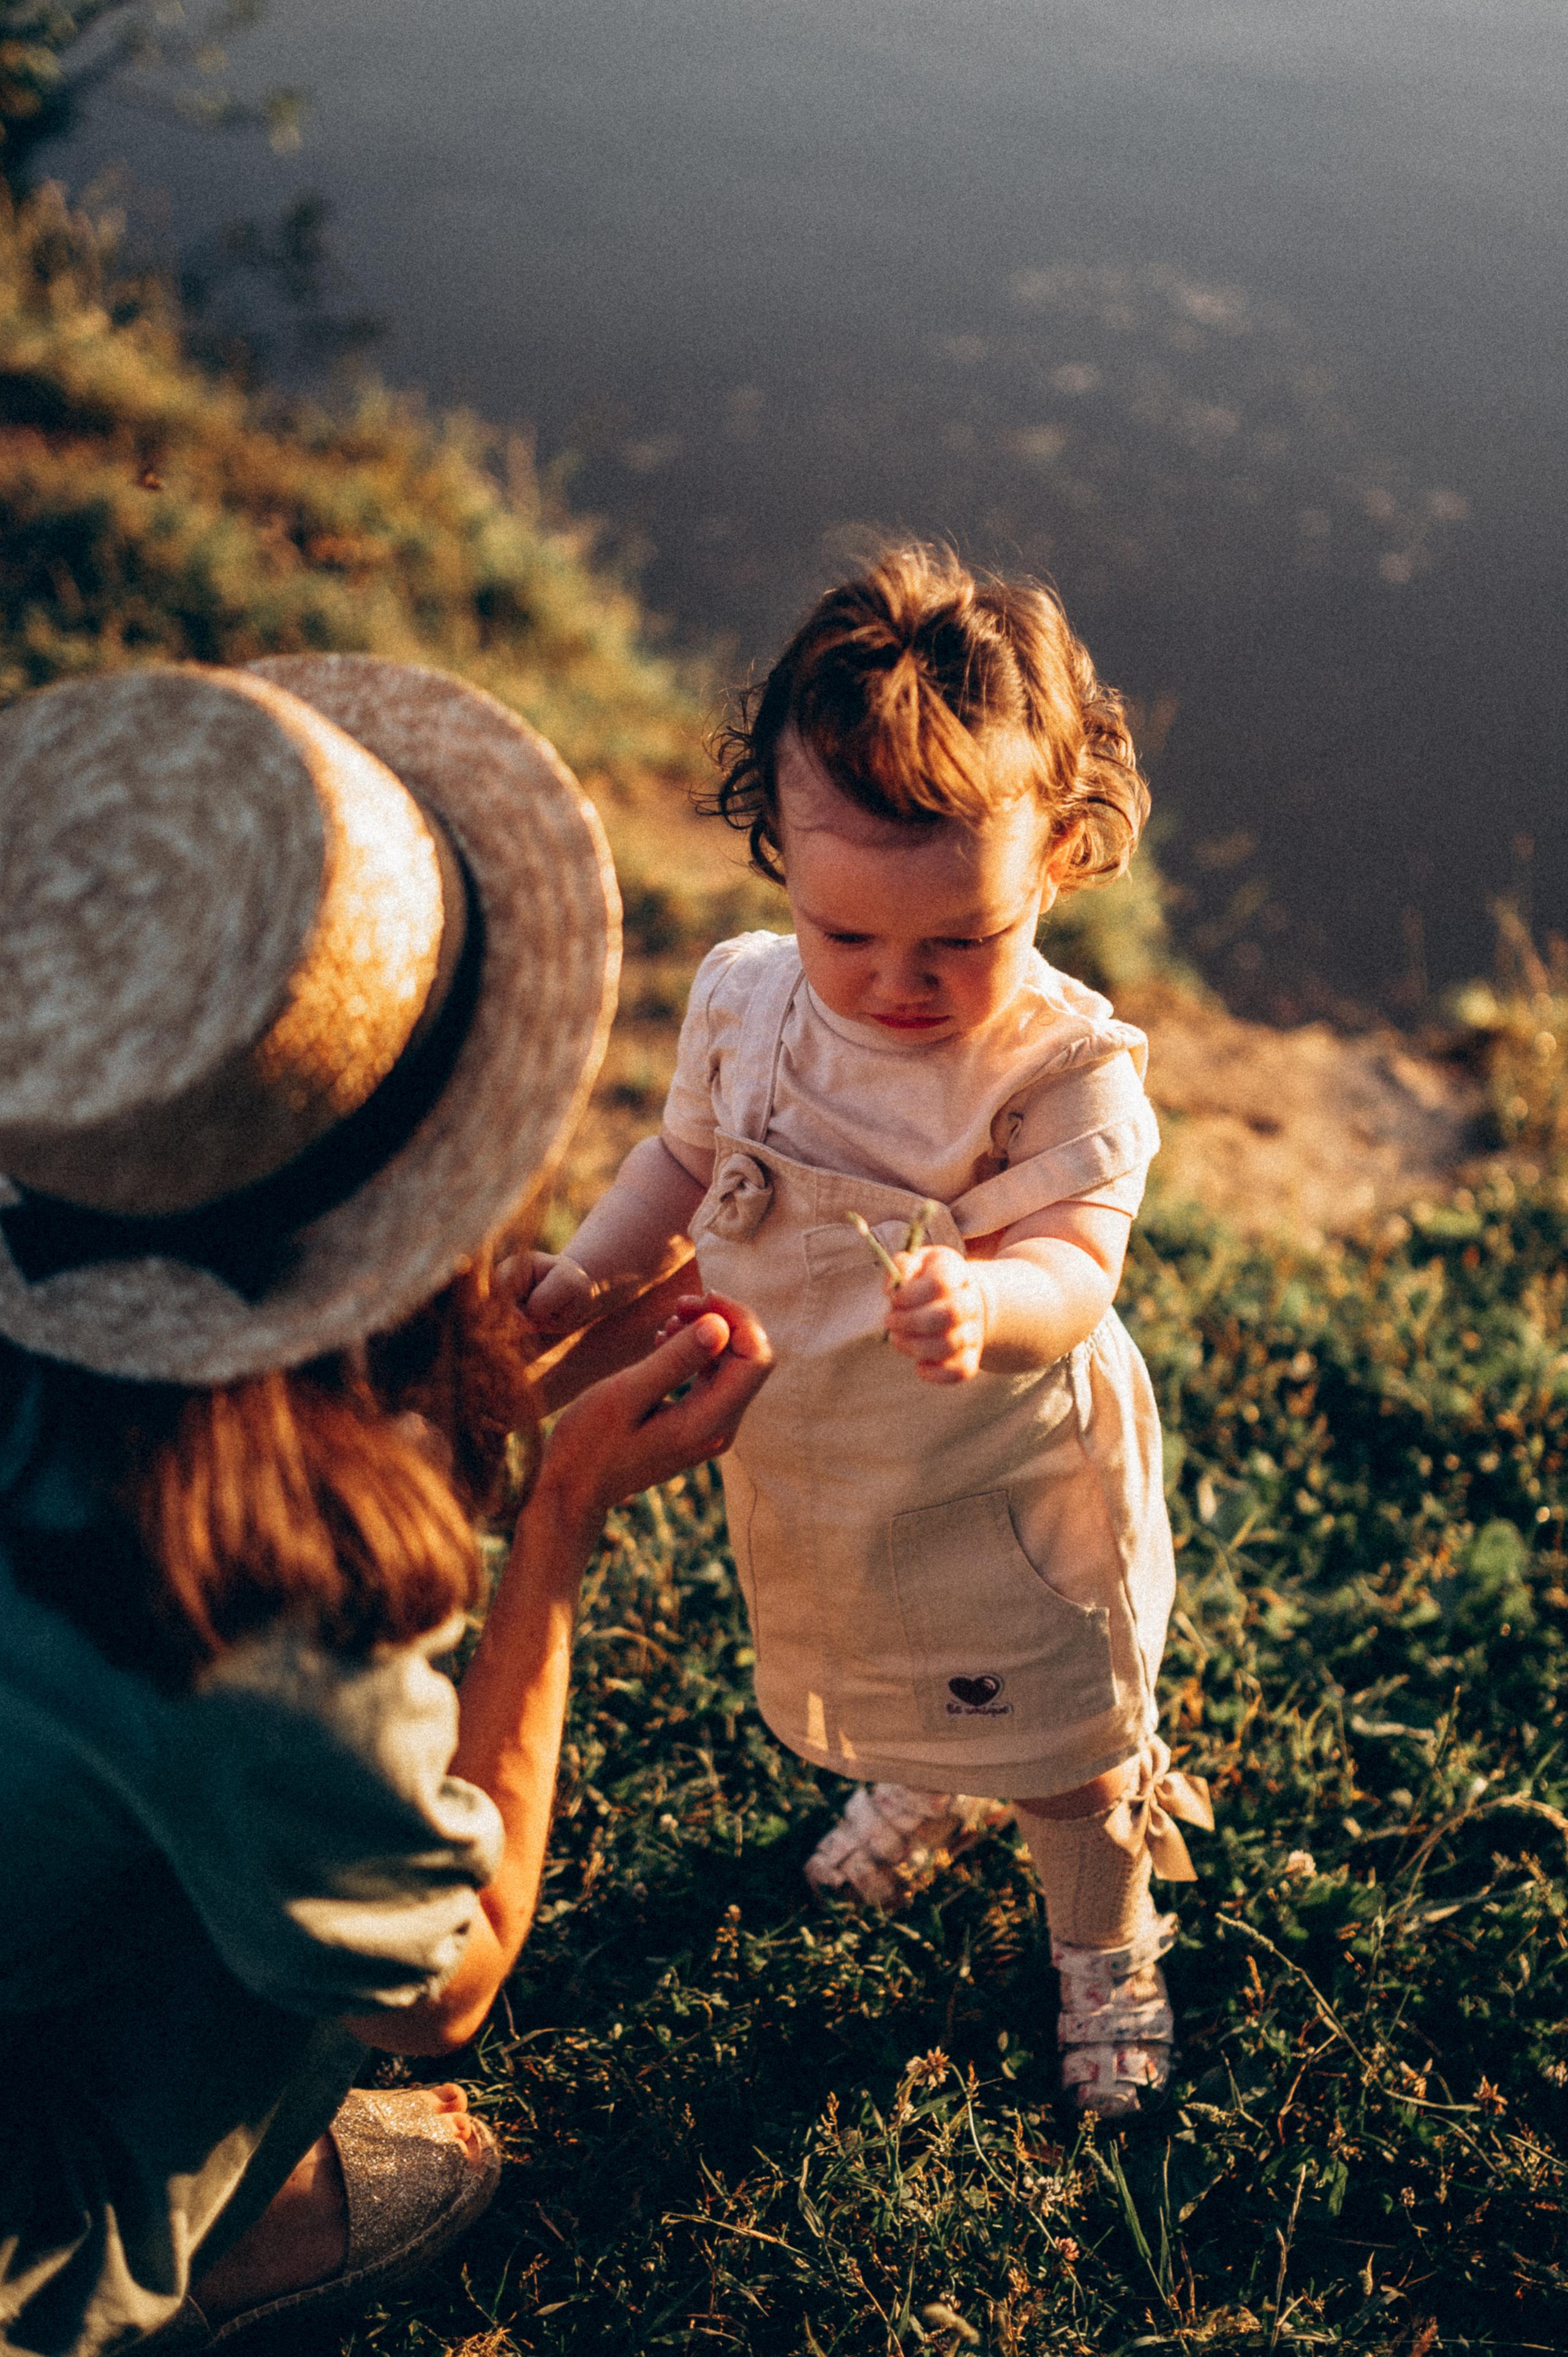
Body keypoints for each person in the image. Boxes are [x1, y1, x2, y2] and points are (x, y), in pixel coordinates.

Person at [0, 656, 772, 2355]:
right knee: (320, 1893)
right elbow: (448, 1980)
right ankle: (200, 2237)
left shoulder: (61, 1219)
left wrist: (446, 1400)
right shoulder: (236, 1603)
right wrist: (557, 1518)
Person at [521, 547, 1211, 2119]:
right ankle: (929, 1764)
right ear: (779, 858)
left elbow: (1078, 1267)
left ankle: (1106, 1940)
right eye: (848, 937)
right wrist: (582, 1273)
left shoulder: (1063, 1071)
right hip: (829, 1458)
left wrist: (993, 1297)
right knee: (905, 1652)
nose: (895, 983)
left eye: (954, 943)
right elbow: (683, 1163)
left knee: (1062, 1734)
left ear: (1054, 862)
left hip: (1001, 1472)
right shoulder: (748, 1003)